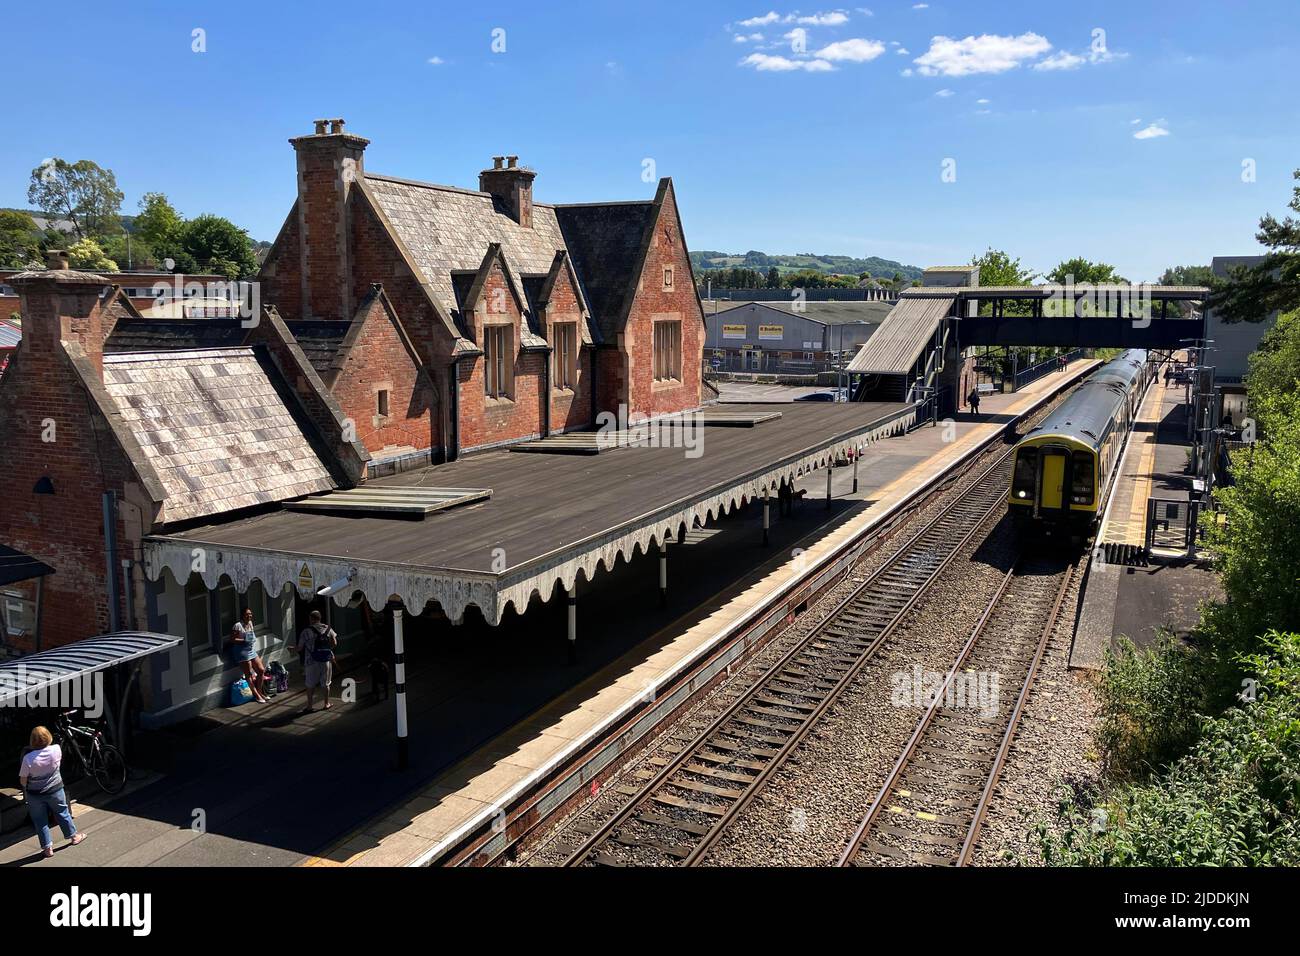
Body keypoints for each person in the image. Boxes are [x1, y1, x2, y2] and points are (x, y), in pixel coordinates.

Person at [19, 726, 86, 859]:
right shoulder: (56, 749)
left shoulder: (28, 759)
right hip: (55, 790)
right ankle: (74, 837)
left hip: (35, 794)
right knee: (63, 813)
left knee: (40, 821)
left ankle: (48, 848)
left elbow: (23, 780)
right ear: (48, 737)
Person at [296, 611, 338, 713]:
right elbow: (335, 643)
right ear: (320, 618)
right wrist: (328, 650)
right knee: (326, 683)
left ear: (311, 619)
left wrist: (292, 649)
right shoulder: (328, 628)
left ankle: (310, 706)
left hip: (311, 661)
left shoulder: (306, 631)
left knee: (310, 684)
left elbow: (299, 648)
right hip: (325, 660)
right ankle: (326, 703)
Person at [228, 608, 269, 703]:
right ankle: (256, 695)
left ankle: (259, 692)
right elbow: (232, 639)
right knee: (249, 674)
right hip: (241, 651)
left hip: (251, 650)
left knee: (261, 670)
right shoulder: (237, 626)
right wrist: (244, 641)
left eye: (250, 614)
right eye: (247, 614)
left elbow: (251, 635)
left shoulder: (250, 623)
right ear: (243, 615)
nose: (249, 616)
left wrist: (251, 640)